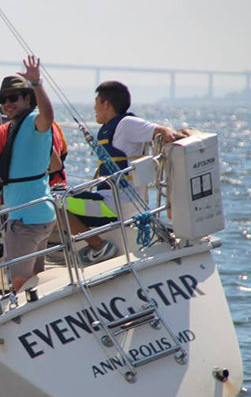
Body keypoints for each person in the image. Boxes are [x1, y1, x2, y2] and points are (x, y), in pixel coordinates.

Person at [67, 80, 186, 265]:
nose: (94, 107)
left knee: (55, 204)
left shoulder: (126, 124)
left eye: (97, 102)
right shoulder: (114, 128)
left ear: (106, 104)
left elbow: (159, 130)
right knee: (63, 194)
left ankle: (99, 247)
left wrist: (170, 132)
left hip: (114, 207)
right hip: (112, 202)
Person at [0, 55, 57, 293]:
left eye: (13, 98)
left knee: (18, 282)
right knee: (36, 278)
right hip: (37, 215)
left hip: (26, 221)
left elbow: (48, 117)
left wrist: (37, 83)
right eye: (3, 100)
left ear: (28, 99)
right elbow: (54, 164)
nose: (7, 104)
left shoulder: (34, 122)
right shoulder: (16, 126)